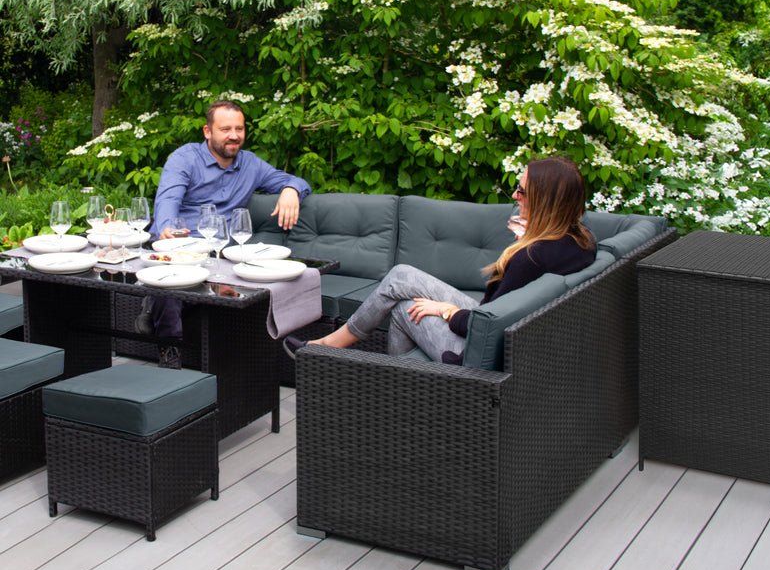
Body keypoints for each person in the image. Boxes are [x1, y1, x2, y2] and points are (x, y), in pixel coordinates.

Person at [282, 156, 596, 366]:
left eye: (522, 191)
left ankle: (349, 360)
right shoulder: (579, 241)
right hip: (517, 343)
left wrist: (448, 311)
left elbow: (490, 325)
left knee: (406, 308)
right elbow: (501, 309)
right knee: (402, 277)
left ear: (545, 201)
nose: (515, 196)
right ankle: (335, 349)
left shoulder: (532, 255)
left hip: (481, 355)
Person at [141, 99, 311, 368]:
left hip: (222, 253)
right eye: (226, 129)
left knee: (254, 280)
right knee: (172, 281)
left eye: (240, 129)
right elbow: (168, 199)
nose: (234, 136)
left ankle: (153, 309)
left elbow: (296, 181)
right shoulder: (185, 158)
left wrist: (291, 191)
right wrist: (165, 229)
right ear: (207, 131)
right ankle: (170, 351)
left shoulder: (250, 164)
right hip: (180, 245)